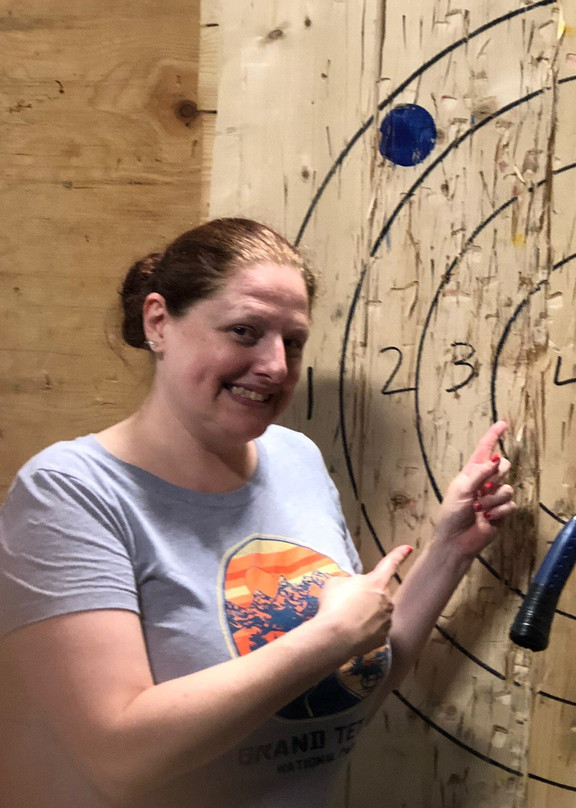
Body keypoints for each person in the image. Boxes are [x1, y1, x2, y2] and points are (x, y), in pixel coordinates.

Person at [0, 218, 516, 807]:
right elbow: (121, 759)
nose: (274, 364)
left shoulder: (294, 459)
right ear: (158, 322)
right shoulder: (70, 493)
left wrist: (450, 549)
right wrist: (326, 639)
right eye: (245, 332)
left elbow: (342, 689)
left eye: (292, 341)